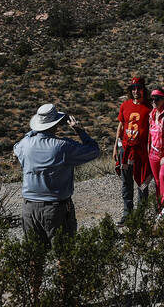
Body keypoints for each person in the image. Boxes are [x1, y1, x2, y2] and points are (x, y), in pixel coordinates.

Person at [14, 102, 101, 244]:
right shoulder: (62, 147)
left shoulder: (25, 144)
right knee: (64, 256)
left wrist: (33, 132)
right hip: (55, 208)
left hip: (29, 207)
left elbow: (16, 146)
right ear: (56, 124)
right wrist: (80, 131)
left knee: (34, 256)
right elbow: (94, 151)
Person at [114, 76, 153, 221]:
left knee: (142, 181)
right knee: (126, 181)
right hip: (125, 150)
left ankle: (141, 214)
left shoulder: (149, 107)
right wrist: (115, 148)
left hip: (142, 151)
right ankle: (127, 213)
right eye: (133, 88)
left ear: (143, 90)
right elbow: (121, 126)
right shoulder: (125, 105)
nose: (136, 91)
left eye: (139, 88)